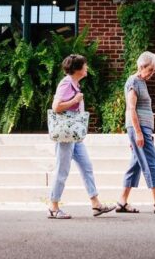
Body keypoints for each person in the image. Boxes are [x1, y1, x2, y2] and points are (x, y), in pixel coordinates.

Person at [48, 53, 115, 219]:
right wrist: (74, 100)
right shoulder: (66, 84)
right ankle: (53, 206)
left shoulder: (75, 84)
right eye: (84, 65)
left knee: (86, 166)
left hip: (75, 135)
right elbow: (56, 107)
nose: (87, 68)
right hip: (66, 134)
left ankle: (96, 204)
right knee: (62, 170)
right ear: (77, 69)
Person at [116, 51, 155, 214]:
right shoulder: (133, 82)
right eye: (151, 69)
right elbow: (131, 108)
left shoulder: (141, 82)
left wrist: (145, 132)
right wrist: (138, 133)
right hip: (139, 128)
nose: (153, 73)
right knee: (152, 161)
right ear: (142, 66)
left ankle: (122, 201)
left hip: (143, 129)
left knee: (135, 164)